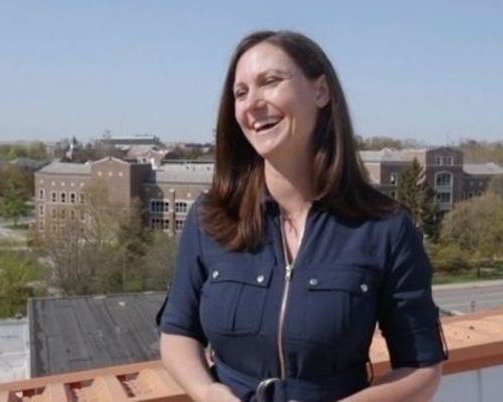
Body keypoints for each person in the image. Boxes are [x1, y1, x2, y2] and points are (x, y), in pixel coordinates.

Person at [158, 30, 447, 402]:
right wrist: (208, 391)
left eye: (270, 82)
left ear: (321, 92)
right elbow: (177, 331)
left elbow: (422, 368)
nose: (252, 103)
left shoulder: (385, 228)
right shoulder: (211, 216)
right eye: (241, 92)